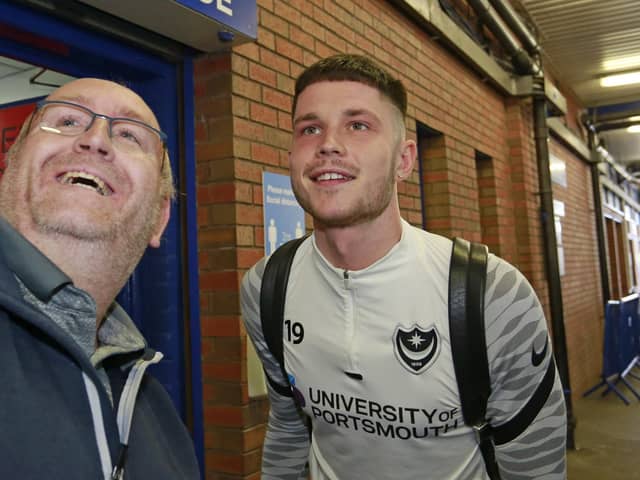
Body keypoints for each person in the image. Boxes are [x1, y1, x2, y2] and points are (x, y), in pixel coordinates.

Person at [241, 54, 567, 479]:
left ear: (404, 160)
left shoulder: (491, 294)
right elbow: (288, 429)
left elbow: (534, 466)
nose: (328, 144)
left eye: (358, 125)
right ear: (292, 156)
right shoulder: (267, 288)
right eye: (310, 128)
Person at [0, 78, 199, 479]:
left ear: (160, 217)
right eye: (68, 120)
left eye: (129, 134)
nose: (95, 139)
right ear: (10, 170)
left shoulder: (161, 424)